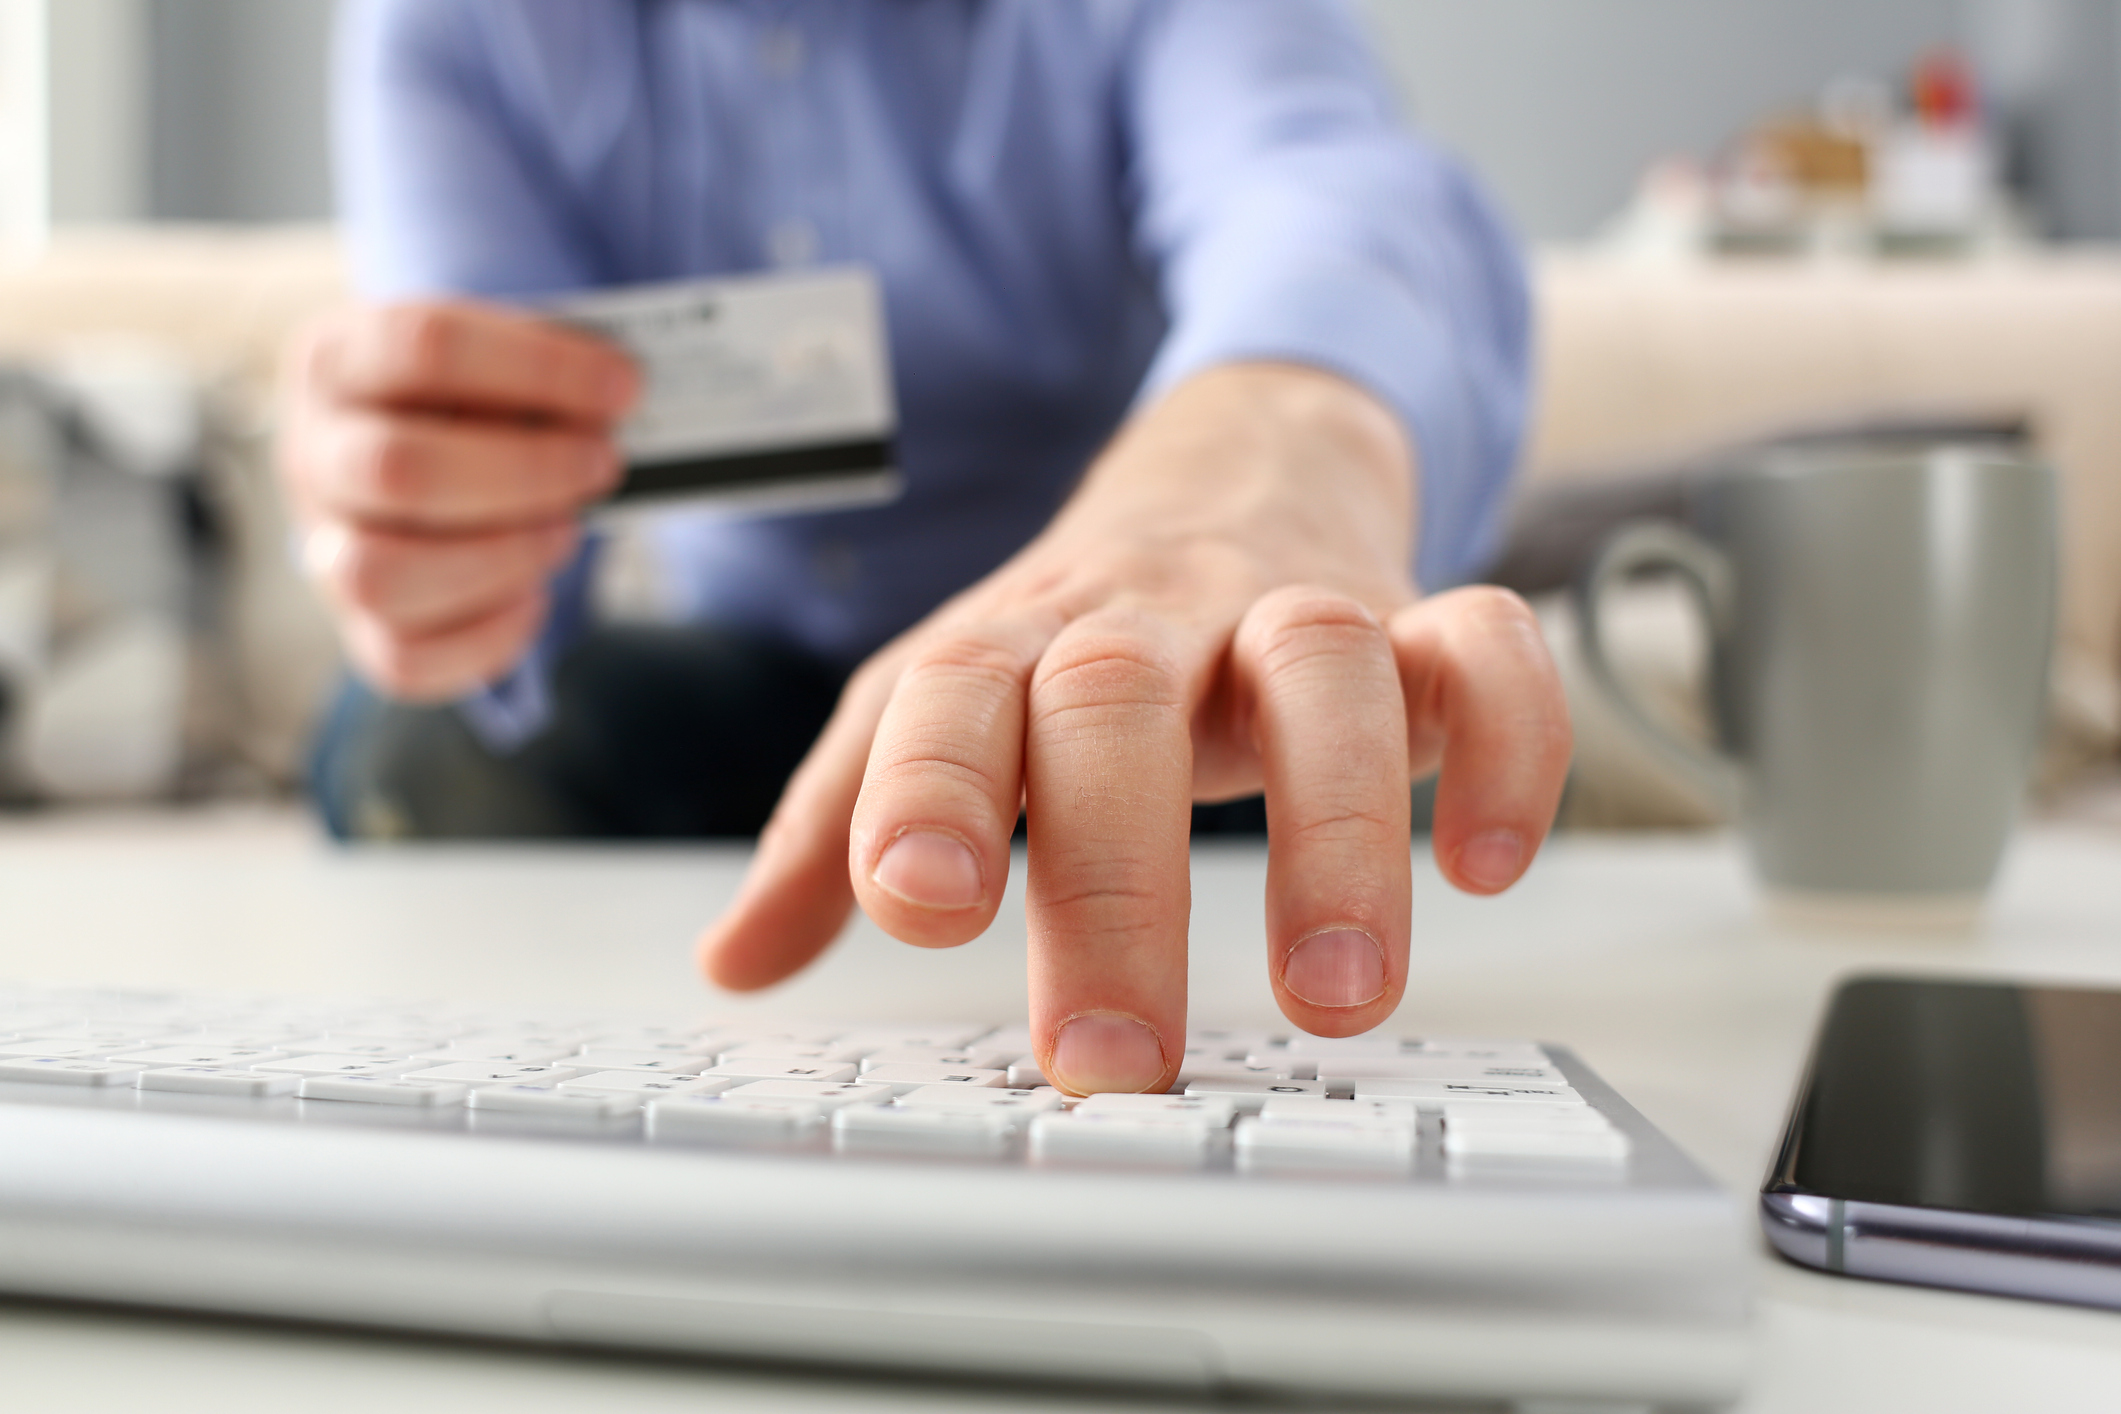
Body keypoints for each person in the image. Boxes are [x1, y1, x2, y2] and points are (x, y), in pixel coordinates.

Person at [285, 0, 1572, 1097]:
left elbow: (1320, 179)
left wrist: (1266, 459)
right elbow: (490, 577)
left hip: (1166, 703)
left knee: (1333, 719)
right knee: (401, 740)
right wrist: (427, 536)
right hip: (753, 692)